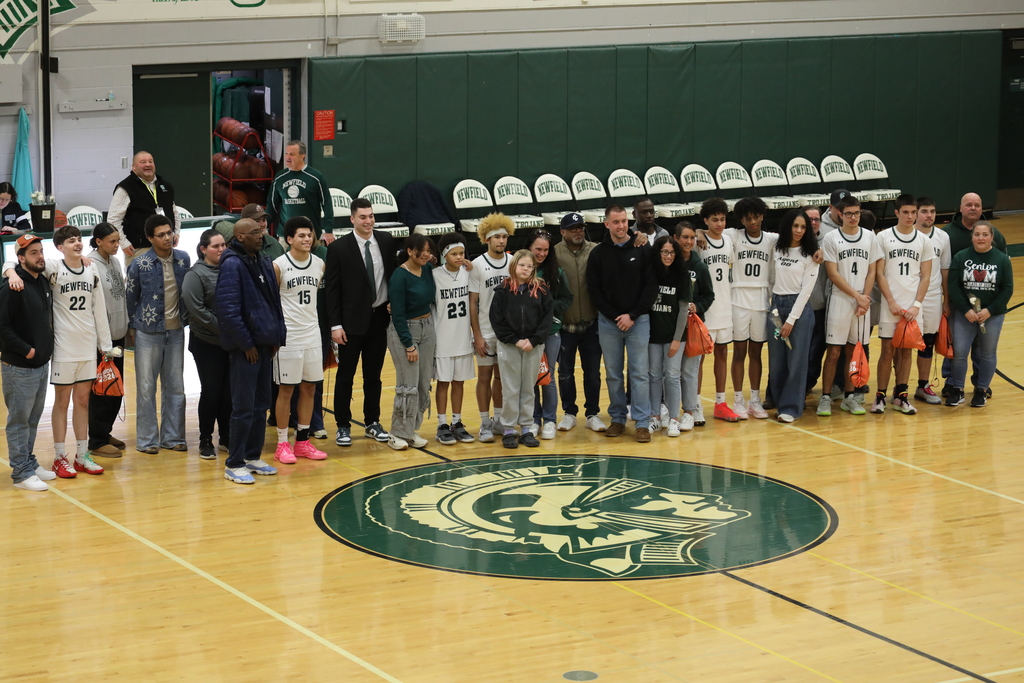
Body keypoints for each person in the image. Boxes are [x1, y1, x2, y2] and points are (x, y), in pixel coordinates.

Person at [4, 225, 113, 476]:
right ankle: (59, 456)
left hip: (87, 346)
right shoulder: (52, 266)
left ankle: (82, 455)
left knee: (84, 402)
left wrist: (104, 346)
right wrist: (10, 272)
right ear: (59, 247)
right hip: (63, 347)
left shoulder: (91, 268)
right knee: (62, 403)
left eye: (79, 239)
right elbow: (15, 256)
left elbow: (99, 309)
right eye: (71, 241)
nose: (77, 244)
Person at [217, 218, 288, 484]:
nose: (261, 235)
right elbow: (228, 311)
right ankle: (234, 462)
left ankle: (252, 455)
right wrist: (246, 345)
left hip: (264, 345)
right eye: (255, 232)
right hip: (245, 348)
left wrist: (275, 338)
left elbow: (273, 304)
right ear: (240, 237)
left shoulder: (263, 259)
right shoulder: (232, 264)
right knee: (243, 407)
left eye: (262, 231)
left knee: (261, 405)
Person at [324, 197, 397, 448]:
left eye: (371, 216)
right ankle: (343, 425)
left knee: (373, 376)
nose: (368, 221)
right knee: (346, 376)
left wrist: (393, 301)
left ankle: (372, 422)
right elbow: (331, 291)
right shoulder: (339, 248)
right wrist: (335, 325)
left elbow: (394, 276)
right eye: (363, 217)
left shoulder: (386, 241)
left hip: (379, 319)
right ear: (352, 219)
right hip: (350, 323)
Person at [587, 204, 658, 442]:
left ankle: (642, 422)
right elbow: (594, 291)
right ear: (606, 224)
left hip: (639, 322)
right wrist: (617, 316)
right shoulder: (597, 254)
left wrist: (633, 315)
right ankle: (617, 418)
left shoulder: (643, 248)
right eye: (615, 222)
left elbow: (651, 287)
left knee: (639, 374)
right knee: (613, 374)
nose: (621, 226)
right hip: (609, 324)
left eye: (624, 221)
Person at [125, 214, 190, 454]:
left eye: (169, 232)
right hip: (147, 332)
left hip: (176, 332)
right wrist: (131, 330)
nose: (167, 238)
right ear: (150, 238)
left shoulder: (183, 259)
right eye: (160, 235)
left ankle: (173, 438)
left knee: (176, 386)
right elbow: (130, 298)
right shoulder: (139, 263)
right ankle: (147, 440)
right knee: (145, 387)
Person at [0, 234, 58, 490]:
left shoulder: (42, 281)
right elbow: (2, 327)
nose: (40, 256)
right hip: (19, 367)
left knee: (33, 419)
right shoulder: (12, 286)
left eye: (40, 251)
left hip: (40, 366)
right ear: (21, 258)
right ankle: (21, 472)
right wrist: (28, 351)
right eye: (33, 253)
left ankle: (28, 461)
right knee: (19, 420)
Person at [870, 194, 934, 415]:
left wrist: (916, 304)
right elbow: (879, 273)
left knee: (906, 352)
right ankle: (880, 397)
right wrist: (890, 302)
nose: (910, 216)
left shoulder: (924, 241)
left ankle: (901, 395)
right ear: (897, 213)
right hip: (891, 305)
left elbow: (925, 277)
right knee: (887, 351)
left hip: (913, 306)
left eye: (913, 212)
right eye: (905, 212)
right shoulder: (884, 237)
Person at [271, 216, 328, 464]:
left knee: (310, 388)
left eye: (310, 235)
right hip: (288, 337)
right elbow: (271, 303)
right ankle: (282, 443)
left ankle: (302, 441)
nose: (307, 239)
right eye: (302, 236)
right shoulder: (278, 265)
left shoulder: (319, 264)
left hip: (312, 334)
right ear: (289, 239)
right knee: (286, 390)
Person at [817, 196, 876, 416]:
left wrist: (865, 298)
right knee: (834, 351)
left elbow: (872, 271)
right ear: (840, 214)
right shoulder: (831, 238)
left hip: (862, 303)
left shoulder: (870, 237)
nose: (853, 217)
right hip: (840, 300)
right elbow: (832, 274)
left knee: (854, 352)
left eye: (857, 213)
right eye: (849, 213)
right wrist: (857, 296)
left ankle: (850, 396)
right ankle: (825, 396)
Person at [490, 249, 553, 449]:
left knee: (528, 388)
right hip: (509, 346)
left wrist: (534, 340)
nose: (525, 269)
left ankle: (526, 428)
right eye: (522, 265)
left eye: (530, 266)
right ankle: (508, 429)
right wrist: (515, 340)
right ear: (514, 266)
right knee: (510, 388)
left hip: (533, 347)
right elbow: (496, 320)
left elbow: (547, 318)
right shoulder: (502, 290)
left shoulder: (541, 290)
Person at [946, 221, 1013, 408]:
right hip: (964, 314)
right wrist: (966, 309)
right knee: (959, 352)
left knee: (988, 353)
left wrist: (989, 311)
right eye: (977, 234)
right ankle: (957, 389)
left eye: (985, 234)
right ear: (972, 236)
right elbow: (953, 286)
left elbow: (1007, 289)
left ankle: (981, 390)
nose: (981, 238)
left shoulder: (1001, 260)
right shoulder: (961, 257)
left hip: (992, 315)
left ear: (992, 237)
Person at [553, 212, 607, 434]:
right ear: (562, 232)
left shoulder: (596, 250)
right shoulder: (553, 253)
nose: (578, 231)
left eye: (580, 227)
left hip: (592, 324)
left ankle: (592, 413)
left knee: (592, 372)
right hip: (565, 325)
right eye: (572, 228)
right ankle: (569, 413)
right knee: (565, 371)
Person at [182, 228, 232, 460]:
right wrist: (225, 329)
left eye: (223, 245)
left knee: (228, 392)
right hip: (206, 342)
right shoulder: (195, 275)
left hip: (230, 342)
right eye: (216, 246)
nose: (221, 249)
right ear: (203, 249)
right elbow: (197, 311)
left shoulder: (231, 268)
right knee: (211, 391)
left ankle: (226, 437)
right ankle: (205, 440)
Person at [724, 196, 775, 420]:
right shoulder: (733, 235)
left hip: (762, 300)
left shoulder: (773, 239)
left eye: (756, 217)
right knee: (739, 352)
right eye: (747, 218)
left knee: (756, 353)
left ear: (762, 216)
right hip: (738, 299)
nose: (752, 222)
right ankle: (738, 399)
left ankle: (755, 399)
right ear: (741, 220)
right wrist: (697, 233)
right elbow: (706, 232)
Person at [767, 209, 820, 423]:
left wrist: (790, 321)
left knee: (796, 362)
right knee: (777, 361)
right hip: (776, 307)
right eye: (795, 226)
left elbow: (806, 291)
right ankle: (779, 402)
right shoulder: (777, 248)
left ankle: (791, 408)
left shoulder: (811, 254)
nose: (798, 230)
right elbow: (771, 278)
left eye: (803, 227)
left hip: (798, 309)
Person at [387, 234, 436, 449]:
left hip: (428, 329)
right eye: (421, 250)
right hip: (406, 331)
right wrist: (408, 344)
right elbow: (397, 314)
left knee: (423, 384)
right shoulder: (400, 276)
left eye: (428, 250)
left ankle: (411, 431)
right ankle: (397, 433)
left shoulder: (426, 269)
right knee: (407, 386)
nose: (426, 254)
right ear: (409, 251)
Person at [469, 213, 513, 442]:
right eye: (496, 237)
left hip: (507, 332)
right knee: (484, 376)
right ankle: (484, 422)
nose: (501, 241)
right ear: (487, 239)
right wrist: (476, 335)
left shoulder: (512, 261)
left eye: (504, 236)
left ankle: (498, 420)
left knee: (502, 377)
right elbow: (473, 303)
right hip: (486, 330)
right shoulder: (477, 265)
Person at [87, 223, 129, 458]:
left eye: (117, 240)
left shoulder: (115, 260)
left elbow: (120, 296)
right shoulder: (90, 264)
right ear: (98, 241)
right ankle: (97, 440)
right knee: (102, 390)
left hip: (118, 335)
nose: (116, 245)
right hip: (102, 340)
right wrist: (101, 340)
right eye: (112, 241)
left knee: (116, 389)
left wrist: (127, 326)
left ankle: (105, 431)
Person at [526, 229, 572, 440]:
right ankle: (534, 419)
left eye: (545, 250)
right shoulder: (522, 270)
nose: (542, 253)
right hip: (528, 334)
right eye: (538, 249)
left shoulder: (556, 273)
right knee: (531, 378)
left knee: (548, 376)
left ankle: (550, 420)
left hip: (551, 333)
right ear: (529, 248)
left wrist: (549, 308)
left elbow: (566, 299)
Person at [696, 197, 738, 422]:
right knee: (699, 359)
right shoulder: (698, 242)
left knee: (722, 354)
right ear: (706, 221)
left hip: (725, 307)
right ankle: (695, 404)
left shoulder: (729, 241)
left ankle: (721, 403)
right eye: (714, 220)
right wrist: (699, 232)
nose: (719, 224)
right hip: (705, 311)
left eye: (722, 219)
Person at [432, 232, 475, 446]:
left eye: (461, 253)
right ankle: (442, 424)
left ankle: (456, 422)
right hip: (442, 339)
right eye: (454, 254)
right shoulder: (434, 275)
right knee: (443, 382)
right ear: (444, 255)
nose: (459, 257)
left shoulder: (469, 273)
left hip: (463, 338)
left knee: (459, 382)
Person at [648, 235, 691, 437]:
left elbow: (683, 311)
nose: (668, 256)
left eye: (672, 252)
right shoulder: (650, 273)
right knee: (654, 377)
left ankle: (674, 418)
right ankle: (655, 417)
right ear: (658, 253)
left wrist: (677, 338)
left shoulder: (682, 275)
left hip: (675, 337)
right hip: (652, 336)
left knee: (672, 376)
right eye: (664, 252)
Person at [675, 221, 715, 429]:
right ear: (676, 239)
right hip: (670, 326)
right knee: (670, 371)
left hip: (692, 327)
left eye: (692, 238)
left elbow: (709, 296)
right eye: (685, 237)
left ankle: (691, 408)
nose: (689, 241)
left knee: (690, 370)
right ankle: (669, 409)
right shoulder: (668, 262)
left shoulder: (699, 267)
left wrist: (696, 306)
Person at [805, 191, 844, 395]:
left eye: (816, 220)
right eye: (809, 219)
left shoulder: (827, 241)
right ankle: (776, 392)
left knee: (816, 352)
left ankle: (810, 385)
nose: (813, 223)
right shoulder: (789, 242)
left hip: (821, 306)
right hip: (795, 308)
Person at [913, 196, 951, 405]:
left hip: (933, 297)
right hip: (908, 296)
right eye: (925, 211)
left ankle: (922, 385)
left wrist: (946, 300)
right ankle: (897, 388)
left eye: (933, 211)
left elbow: (945, 270)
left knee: (927, 343)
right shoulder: (906, 235)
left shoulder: (943, 237)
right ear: (916, 213)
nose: (929, 215)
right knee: (899, 343)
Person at [108, 151, 179, 262]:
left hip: (166, 248)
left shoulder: (165, 186)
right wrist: (123, 242)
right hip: (139, 249)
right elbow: (113, 219)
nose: (148, 164)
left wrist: (176, 233)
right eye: (143, 162)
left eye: (150, 161)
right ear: (134, 167)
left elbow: (174, 213)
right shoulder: (125, 188)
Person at [267, 140, 334, 244]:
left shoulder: (315, 177)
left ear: (302, 156)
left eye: (292, 154)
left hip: (311, 235)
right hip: (286, 235)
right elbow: (271, 206)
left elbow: (327, 204)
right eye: (286, 153)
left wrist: (328, 230)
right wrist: (264, 227)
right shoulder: (279, 178)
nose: (287, 157)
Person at [216, 204, 286, 260]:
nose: (262, 224)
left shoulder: (273, 242)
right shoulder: (239, 247)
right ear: (244, 222)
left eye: (264, 220)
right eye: (257, 221)